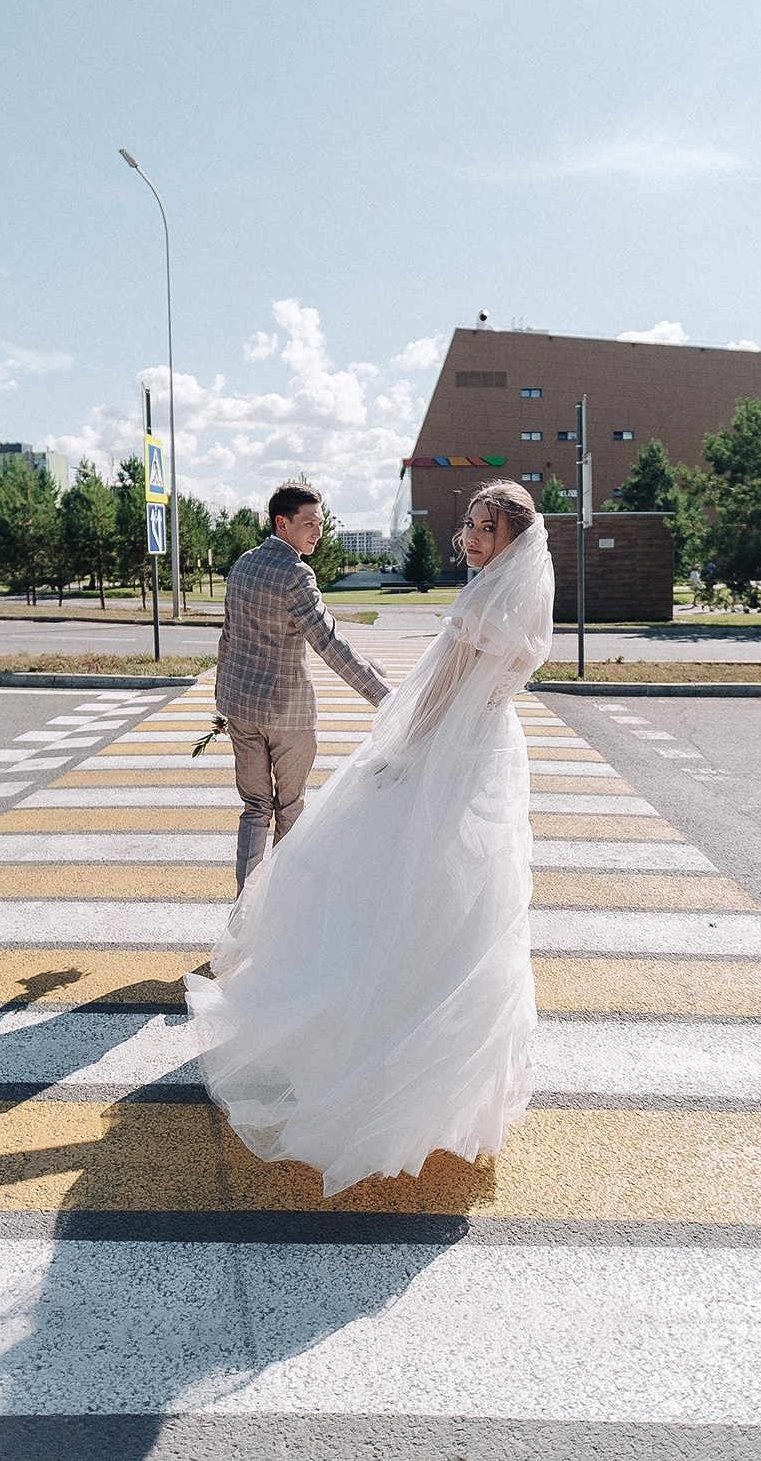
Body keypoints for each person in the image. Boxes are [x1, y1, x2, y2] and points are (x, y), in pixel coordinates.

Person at [185, 479, 555, 1196]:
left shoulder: (480, 602)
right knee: (467, 899)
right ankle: (452, 1085)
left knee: (391, 888)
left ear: (515, 538)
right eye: (471, 523)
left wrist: (397, 751)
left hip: (447, 752)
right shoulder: (529, 603)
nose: (472, 537)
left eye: (487, 528)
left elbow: (443, 693)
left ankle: (365, 1051)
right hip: (492, 754)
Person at [215, 481, 393, 894]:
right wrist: (386, 699)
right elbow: (330, 643)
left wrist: (222, 702)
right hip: (286, 714)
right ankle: (279, 906)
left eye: (321, 524)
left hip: (240, 708)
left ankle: (245, 908)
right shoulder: (295, 572)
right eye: (310, 524)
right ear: (282, 523)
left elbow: (228, 636)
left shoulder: (243, 563)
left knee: (255, 808)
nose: (318, 533)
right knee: (290, 806)